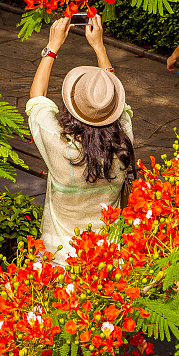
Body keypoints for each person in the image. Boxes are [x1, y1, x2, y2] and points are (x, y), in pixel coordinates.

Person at [27, 15, 134, 266]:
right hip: (109, 261)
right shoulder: (122, 140)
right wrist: (100, 47)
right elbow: (120, 103)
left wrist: (52, 47)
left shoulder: (57, 143)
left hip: (58, 260)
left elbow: (37, 96)